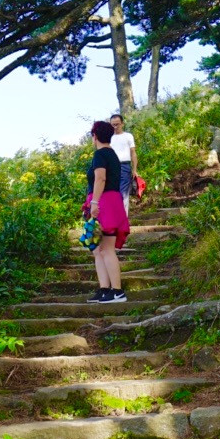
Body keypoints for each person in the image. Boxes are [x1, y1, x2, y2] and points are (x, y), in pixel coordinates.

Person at [84, 120, 130, 303]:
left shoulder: (100, 154)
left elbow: (100, 179)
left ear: (94, 136)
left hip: (104, 203)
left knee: (107, 249)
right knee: (98, 249)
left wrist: (94, 202)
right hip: (108, 202)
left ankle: (117, 292)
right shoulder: (111, 154)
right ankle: (104, 289)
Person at [109, 113, 138, 216]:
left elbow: (133, 153)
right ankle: (114, 218)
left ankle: (123, 219)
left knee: (123, 193)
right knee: (112, 193)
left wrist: (134, 170)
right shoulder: (109, 138)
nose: (115, 127)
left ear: (122, 124)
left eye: (117, 124)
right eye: (113, 125)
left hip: (124, 166)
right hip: (111, 167)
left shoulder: (128, 136)